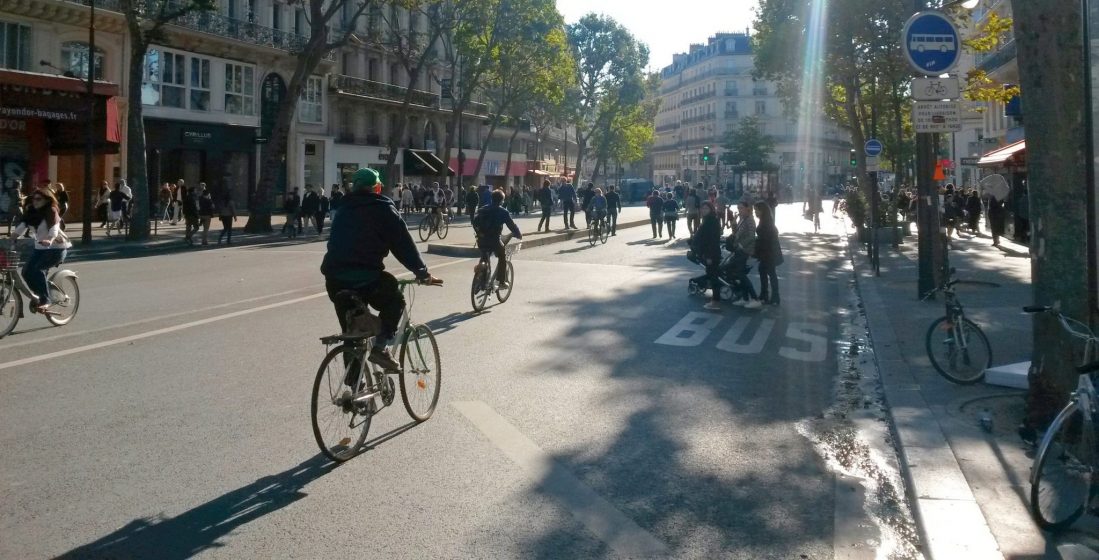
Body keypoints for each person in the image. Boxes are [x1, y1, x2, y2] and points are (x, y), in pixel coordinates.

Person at [321, 168, 442, 371]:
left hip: (335, 280)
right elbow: (403, 245)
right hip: (366, 278)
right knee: (395, 299)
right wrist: (422, 273)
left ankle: (353, 385)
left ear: (354, 187)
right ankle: (381, 348)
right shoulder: (383, 208)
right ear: (377, 188)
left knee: (352, 332)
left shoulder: (343, 207)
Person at [11, 188, 71, 313]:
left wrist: (50, 239)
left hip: (56, 249)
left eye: (39, 199)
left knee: (37, 269)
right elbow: (21, 227)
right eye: (34, 199)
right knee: (26, 271)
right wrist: (12, 237)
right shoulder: (31, 213)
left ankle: (46, 300)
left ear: (47, 200)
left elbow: (54, 228)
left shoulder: (51, 211)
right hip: (40, 248)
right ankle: (39, 295)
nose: (35, 202)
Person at [472, 189, 523, 289]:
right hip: (494, 240)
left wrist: (479, 233)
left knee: (485, 256)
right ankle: (501, 282)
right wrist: (518, 235)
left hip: (481, 239)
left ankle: (481, 277)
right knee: (502, 256)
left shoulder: (482, 209)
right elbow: (512, 226)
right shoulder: (503, 212)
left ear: (492, 199)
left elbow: (474, 223)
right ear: (502, 201)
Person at [729, 200, 761, 308]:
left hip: (745, 250)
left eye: (741, 208)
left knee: (741, 274)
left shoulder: (750, 220)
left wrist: (741, 245)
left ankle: (755, 298)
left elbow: (752, 236)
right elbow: (736, 233)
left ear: (748, 208)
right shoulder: (742, 219)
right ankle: (745, 297)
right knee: (738, 274)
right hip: (739, 250)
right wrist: (733, 223)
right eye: (738, 208)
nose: (740, 210)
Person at [692, 202, 723, 310]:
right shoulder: (707, 220)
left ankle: (715, 301)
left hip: (712, 254)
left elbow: (712, 240)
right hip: (708, 253)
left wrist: (709, 256)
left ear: (711, 209)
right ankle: (715, 300)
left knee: (714, 277)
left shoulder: (712, 221)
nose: (704, 210)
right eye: (703, 208)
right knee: (712, 275)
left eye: (706, 208)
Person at [754, 201, 783, 306]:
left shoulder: (766, 223)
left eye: (757, 210)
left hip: (769, 253)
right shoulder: (766, 221)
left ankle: (772, 296)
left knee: (770, 273)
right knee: (766, 272)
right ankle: (767, 295)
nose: (755, 212)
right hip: (768, 253)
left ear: (762, 211)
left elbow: (765, 240)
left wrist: (757, 249)